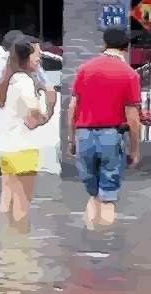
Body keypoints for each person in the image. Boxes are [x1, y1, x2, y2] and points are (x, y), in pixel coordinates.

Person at [68, 28, 141, 230]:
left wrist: (71, 140)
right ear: (126, 48)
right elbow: (133, 118)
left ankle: (89, 241)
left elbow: (72, 107)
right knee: (108, 197)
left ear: (104, 44)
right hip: (111, 135)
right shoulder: (129, 74)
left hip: (83, 134)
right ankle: (106, 248)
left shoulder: (85, 69)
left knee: (93, 195)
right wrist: (134, 150)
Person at [0, 30, 49, 191]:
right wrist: (46, 115)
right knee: (21, 191)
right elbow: (48, 89)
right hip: (23, 139)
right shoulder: (34, 68)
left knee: (0, 188)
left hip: (1, 138)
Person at [0, 35, 55, 227]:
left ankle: (5, 241)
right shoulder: (24, 81)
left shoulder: (5, 81)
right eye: (37, 55)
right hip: (23, 150)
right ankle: (20, 247)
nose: (39, 59)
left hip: (5, 149)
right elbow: (34, 111)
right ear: (26, 58)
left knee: (7, 199)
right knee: (22, 205)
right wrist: (47, 111)